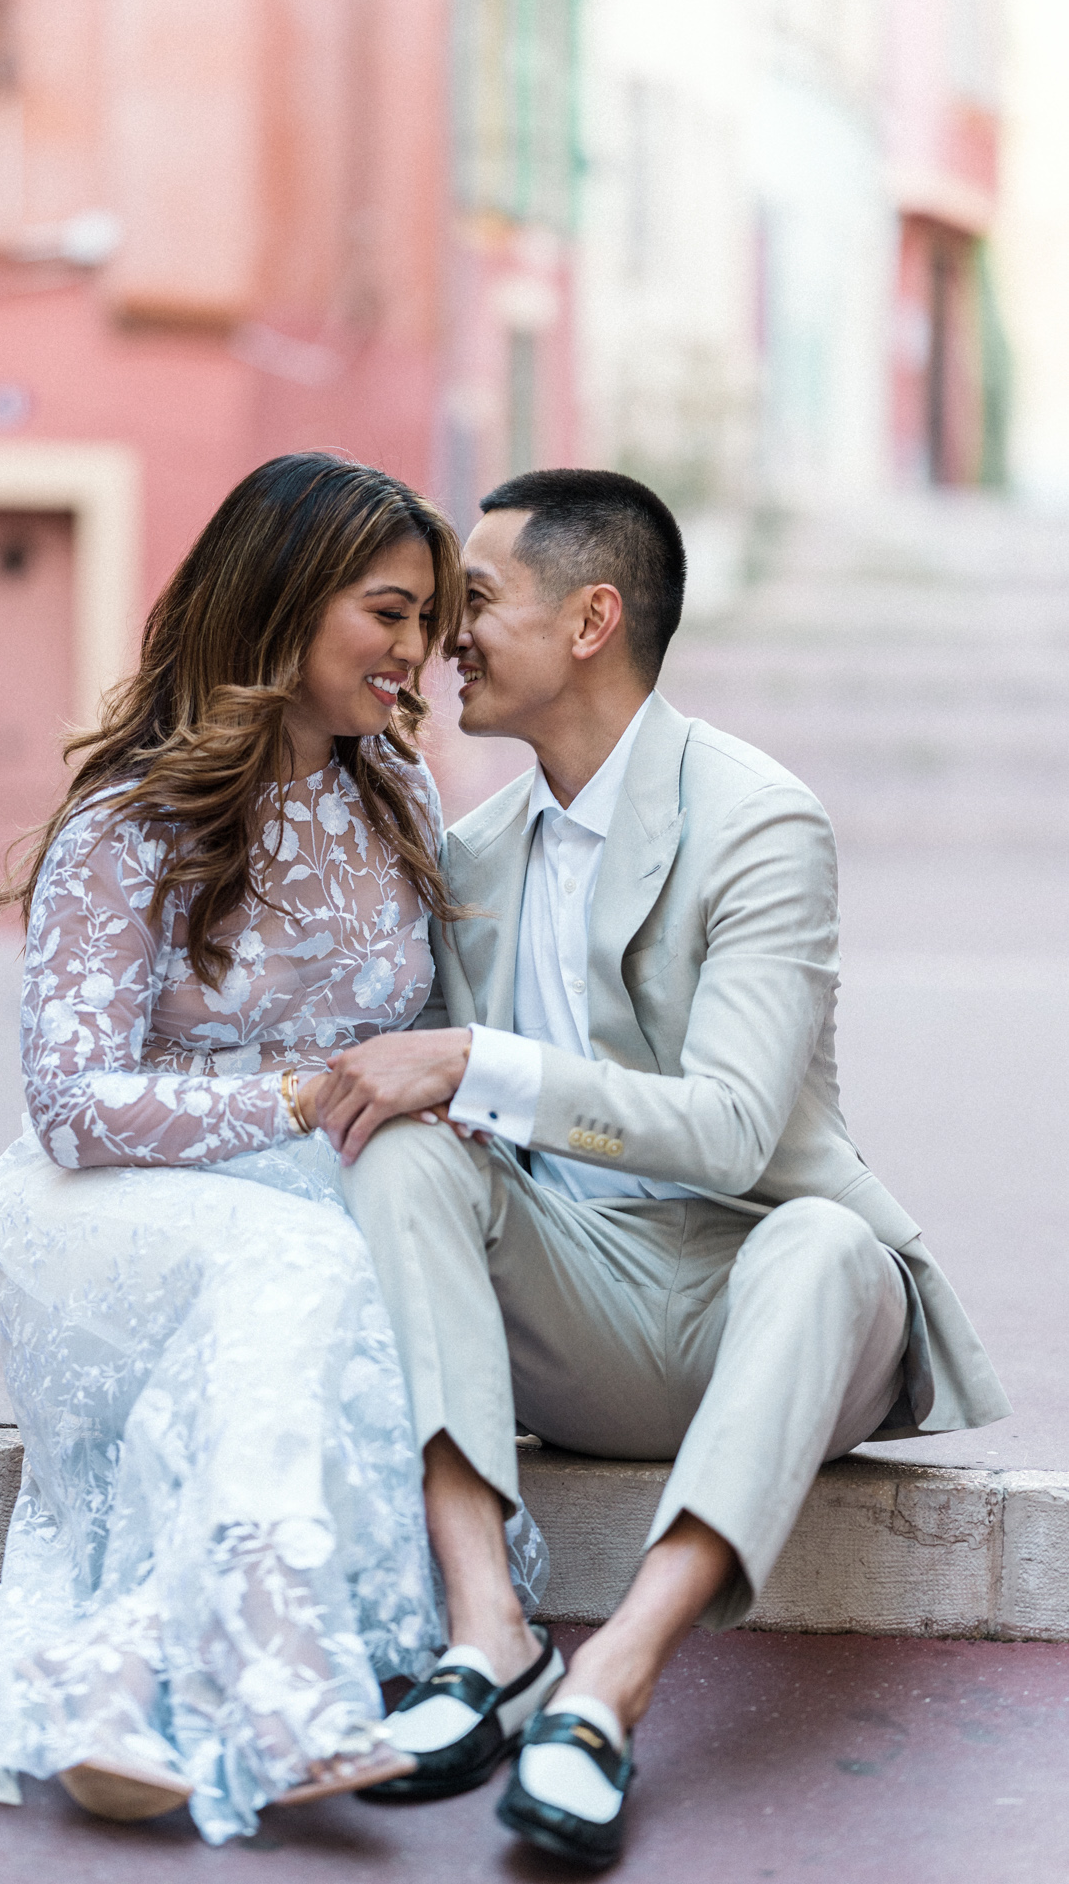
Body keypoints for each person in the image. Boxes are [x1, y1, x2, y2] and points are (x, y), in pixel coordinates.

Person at [313, 468, 1010, 1870]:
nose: (448, 633)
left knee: (822, 1243)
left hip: (772, 1298)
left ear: (590, 620)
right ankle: (488, 1642)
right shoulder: (469, 856)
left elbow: (733, 1129)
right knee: (398, 1162)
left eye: (480, 601)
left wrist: (474, 1063)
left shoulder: (758, 819)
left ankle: (606, 1691)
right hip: (584, 1308)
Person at [0, 453, 546, 1847]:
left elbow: (433, 1034)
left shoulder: (395, 795)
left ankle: (122, 1670)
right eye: (387, 614)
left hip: (320, 1214)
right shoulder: (130, 820)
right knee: (294, 1265)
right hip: (110, 1208)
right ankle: (279, 1701)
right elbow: (74, 1107)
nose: (413, 656)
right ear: (280, 598)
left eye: (429, 624)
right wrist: (307, 1096)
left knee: (321, 1276)